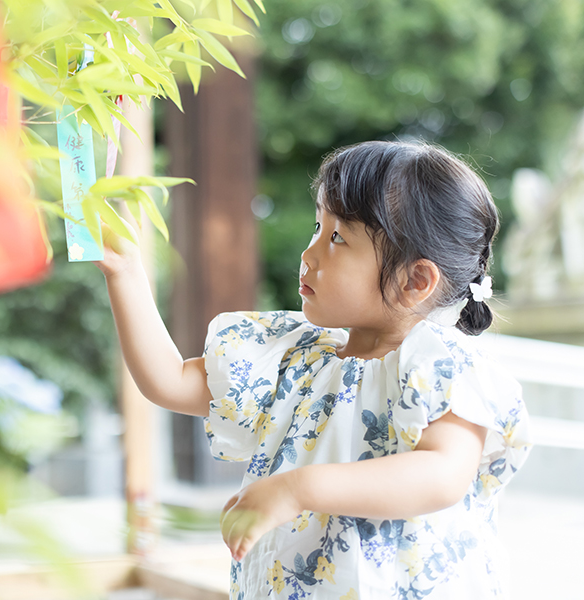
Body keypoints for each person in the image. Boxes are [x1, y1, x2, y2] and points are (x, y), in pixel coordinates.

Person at [97, 140, 532, 599]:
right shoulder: (296, 357)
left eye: (338, 238)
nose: (309, 254)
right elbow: (168, 381)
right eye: (317, 227)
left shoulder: (441, 365)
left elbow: (442, 474)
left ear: (414, 281)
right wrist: (125, 273)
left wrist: (297, 489)